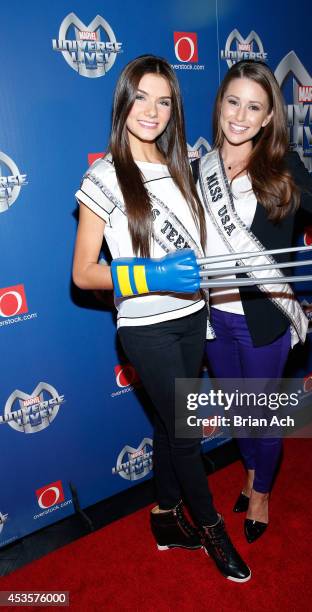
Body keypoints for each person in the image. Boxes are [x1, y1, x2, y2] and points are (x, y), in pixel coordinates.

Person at [72, 55, 251, 583]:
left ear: (174, 109)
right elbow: (83, 274)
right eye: (142, 97)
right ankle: (212, 527)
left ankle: (165, 514)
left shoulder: (182, 166)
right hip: (145, 326)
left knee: (171, 424)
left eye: (164, 100)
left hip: (194, 315)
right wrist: (152, 273)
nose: (152, 110)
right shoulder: (103, 178)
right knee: (187, 428)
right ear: (123, 101)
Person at [192, 60, 312, 543]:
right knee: (237, 412)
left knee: (263, 417)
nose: (240, 115)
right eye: (233, 102)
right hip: (212, 320)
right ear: (219, 105)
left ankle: (262, 494)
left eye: (254, 106)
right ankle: (251, 472)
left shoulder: (283, 168)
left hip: (265, 320)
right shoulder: (196, 169)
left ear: (269, 117)